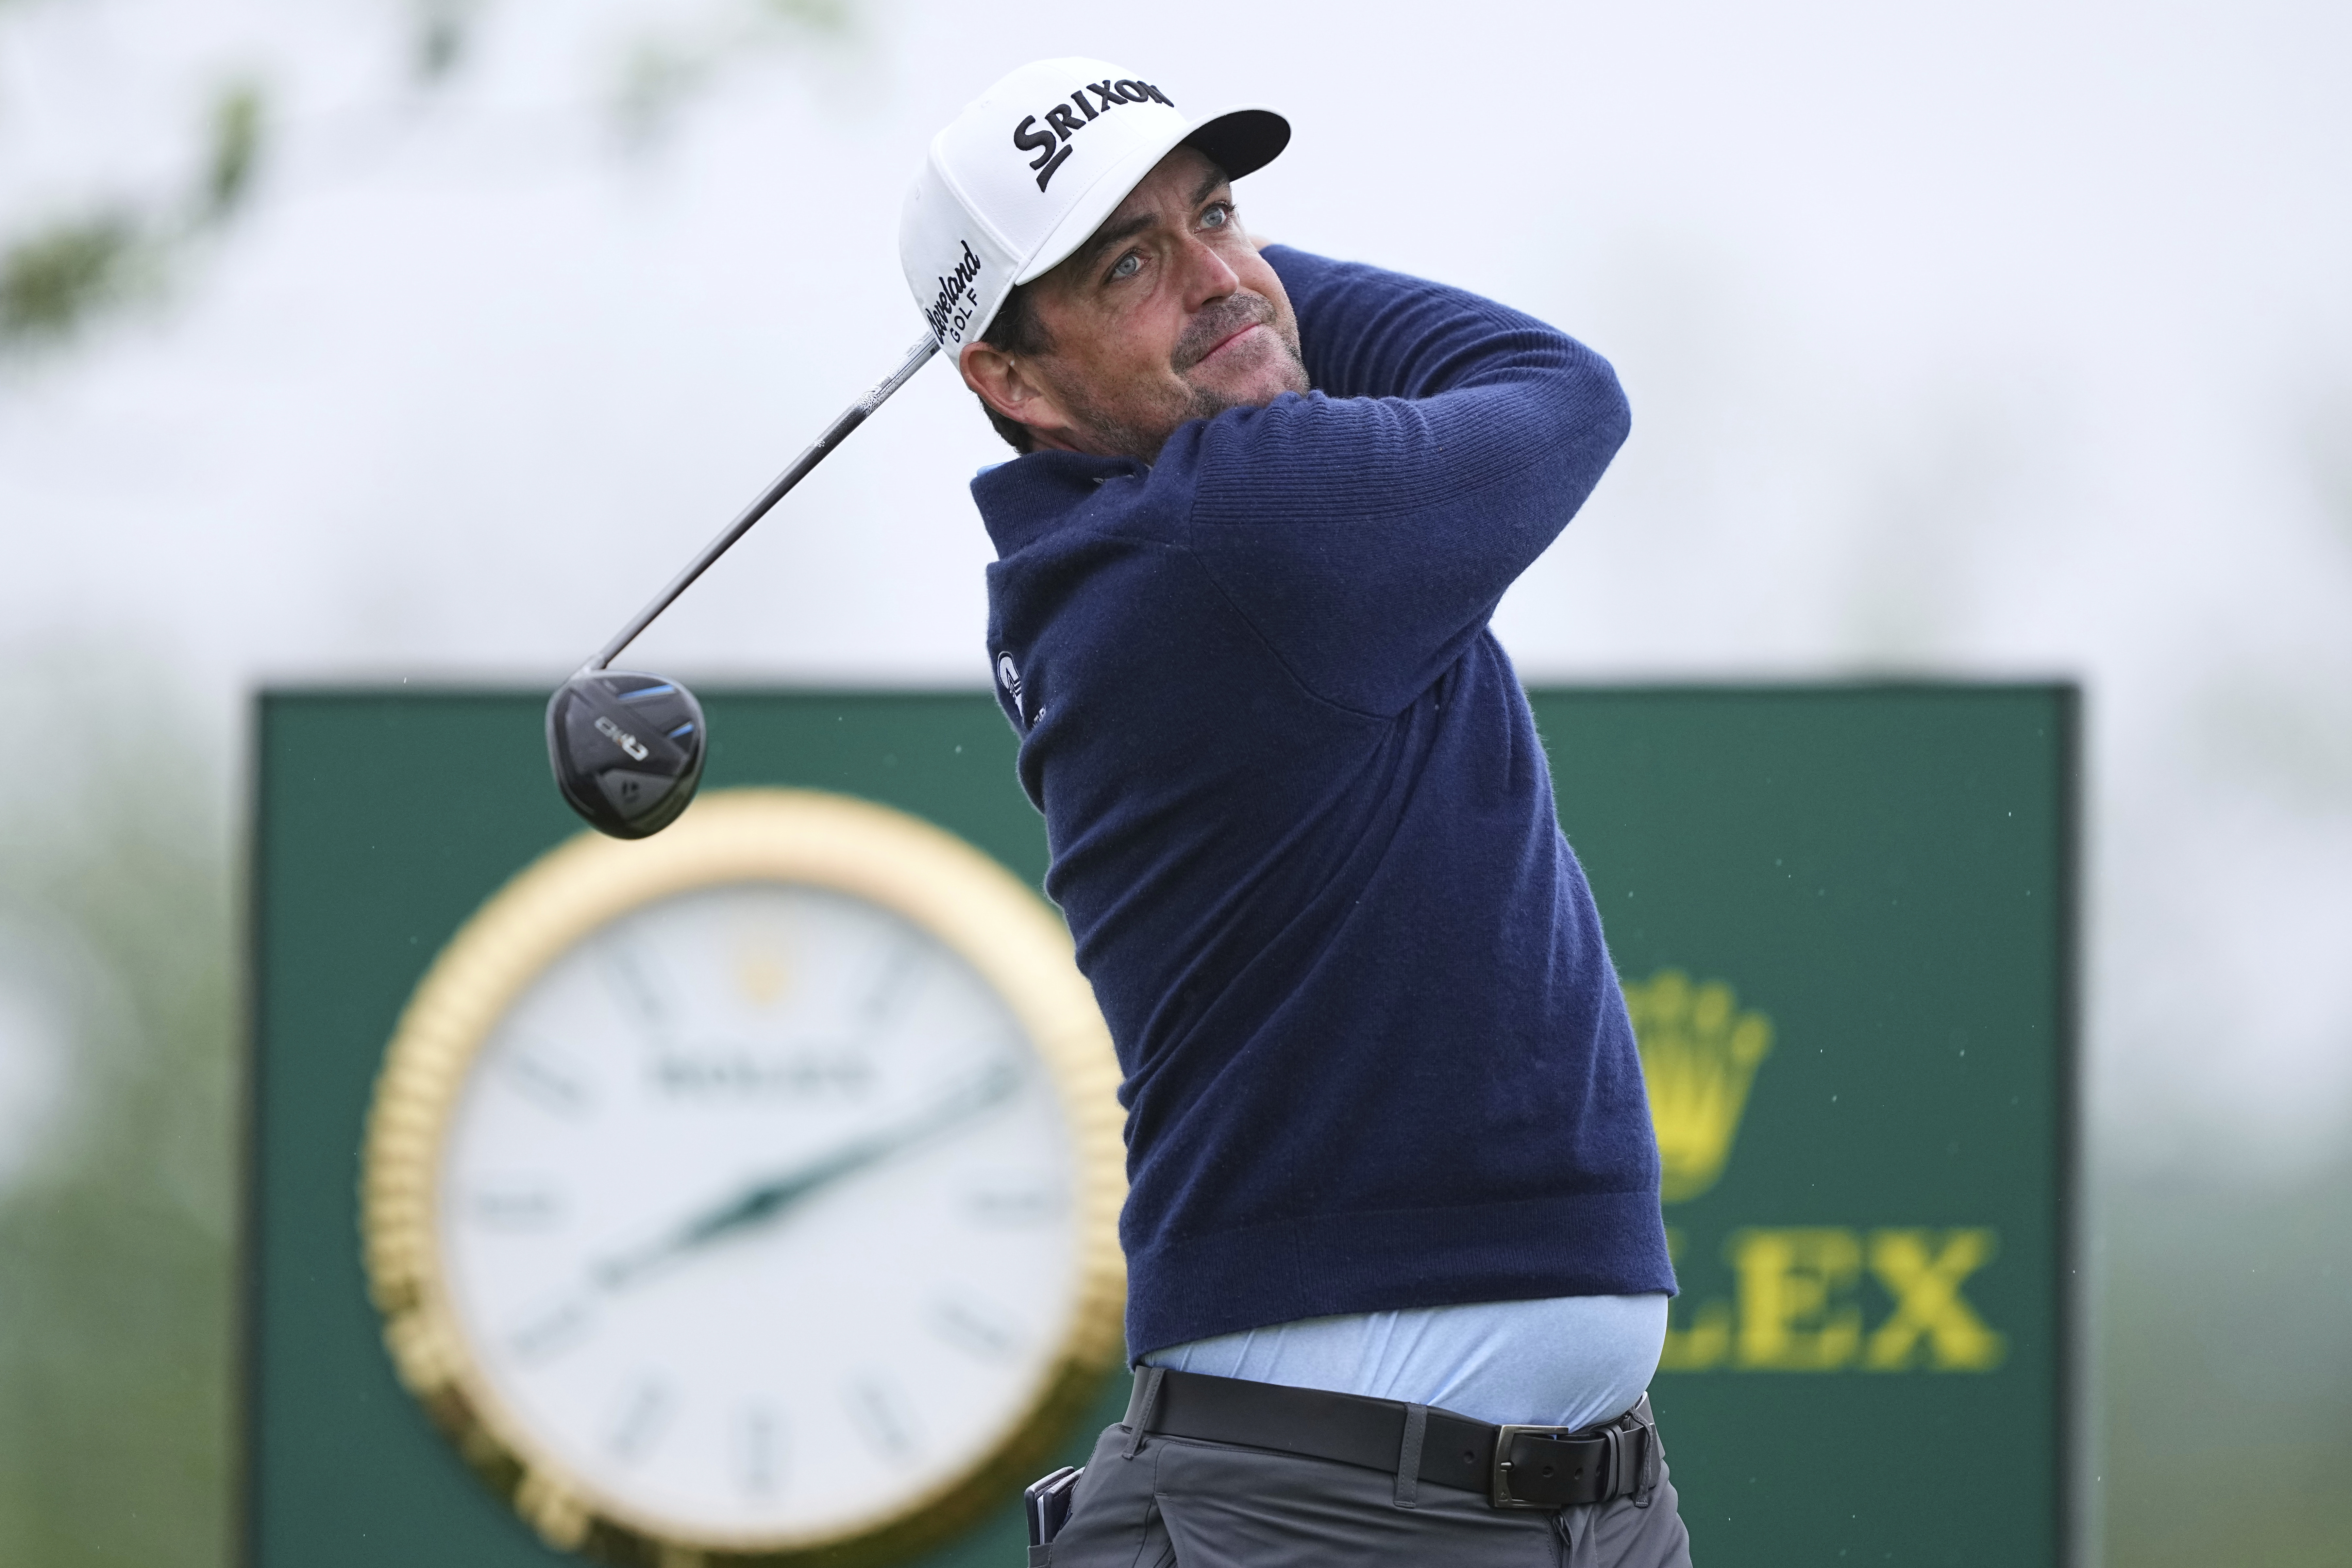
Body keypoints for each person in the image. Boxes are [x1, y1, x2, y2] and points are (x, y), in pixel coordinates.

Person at [899, 58, 1692, 1568]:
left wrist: (1205, 291)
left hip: (1558, 1507)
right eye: (1124, 264)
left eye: (1220, 214)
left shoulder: (1151, 530)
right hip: (1333, 1518)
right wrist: (1253, 301)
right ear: (1008, 380)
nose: (1213, 274)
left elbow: (1261, 333)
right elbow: (1558, 391)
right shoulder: (1239, 529)